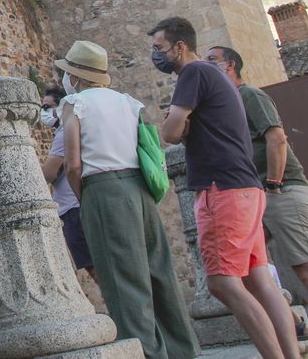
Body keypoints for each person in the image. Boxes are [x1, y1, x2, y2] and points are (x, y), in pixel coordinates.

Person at [152, 17, 300, 359]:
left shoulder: (192, 73)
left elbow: (170, 133)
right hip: (246, 187)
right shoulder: (217, 76)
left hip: (222, 190)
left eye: (159, 48)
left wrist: (177, 123)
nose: (155, 55)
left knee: (222, 283)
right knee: (259, 281)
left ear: (180, 46)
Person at [57, 41, 196, 358]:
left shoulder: (74, 103)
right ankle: (182, 349)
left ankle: (144, 351)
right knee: (158, 270)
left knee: (122, 277)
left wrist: (84, 197)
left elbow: (73, 164)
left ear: (75, 76)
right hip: (140, 188)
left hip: (102, 188)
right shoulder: (129, 102)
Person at [206, 45, 308, 333]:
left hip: (281, 190)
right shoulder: (226, 104)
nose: (206, 65)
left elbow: (276, 137)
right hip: (252, 197)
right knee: (249, 272)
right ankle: (292, 323)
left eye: (213, 60)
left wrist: (274, 182)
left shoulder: (250, 95)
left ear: (230, 66)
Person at [39, 84, 95, 278]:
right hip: (74, 206)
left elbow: (49, 174)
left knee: (94, 268)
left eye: (47, 107)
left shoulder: (64, 133)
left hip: (73, 208)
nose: (43, 113)